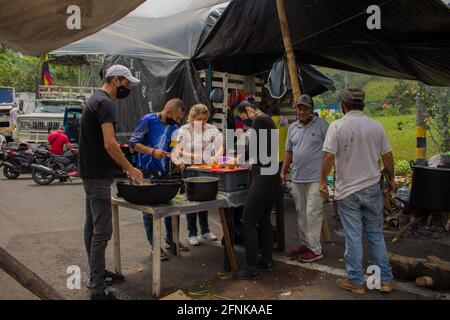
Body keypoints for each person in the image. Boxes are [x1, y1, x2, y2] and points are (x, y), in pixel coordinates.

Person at [320, 88, 396, 295]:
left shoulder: (337, 126)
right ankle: (385, 280)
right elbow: (387, 157)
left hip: (348, 191)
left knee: (353, 236)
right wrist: (392, 179)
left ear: (343, 106)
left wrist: (321, 181)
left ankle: (356, 281)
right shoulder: (376, 126)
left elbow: (328, 157)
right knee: (375, 234)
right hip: (372, 187)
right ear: (362, 105)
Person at [79, 64, 144, 300]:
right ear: (116, 80)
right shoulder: (105, 103)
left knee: (92, 227)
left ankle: (97, 274)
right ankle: (97, 288)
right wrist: (130, 168)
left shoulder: (93, 99)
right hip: (97, 176)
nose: (128, 89)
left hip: (89, 172)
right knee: (102, 230)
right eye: (127, 84)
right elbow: (110, 144)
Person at [129, 98, 188, 261]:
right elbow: (133, 143)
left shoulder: (174, 127)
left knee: (171, 208)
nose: (178, 122)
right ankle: (154, 246)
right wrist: (152, 151)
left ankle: (172, 240)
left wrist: (178, 159)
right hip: (146, 172)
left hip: (165, 172)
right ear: (168, 112)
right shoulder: (147, 120)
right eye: (176, 118)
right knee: (149, 213)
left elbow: (173, 148)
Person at [233, 101, 280, 280]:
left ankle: (250, 267)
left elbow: (252, 147)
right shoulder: (268, 120)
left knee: (247, 221)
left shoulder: (259, 120)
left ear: (247, 111)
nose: (244, 122)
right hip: (271, 175)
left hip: (263, 175)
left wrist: (237, 159)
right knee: (264, 219)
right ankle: (266, 259)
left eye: (243, 117)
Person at [281, 95, 329, 262]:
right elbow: (289, 152)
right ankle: (305, 243)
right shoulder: (293, 128)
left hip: (316, 178)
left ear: (311, 110)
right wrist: (283, 171)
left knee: (313, 212)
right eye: (299, 108)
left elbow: (330, 152)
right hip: (297, 177)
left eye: (305, 108)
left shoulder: (322, 125)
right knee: (301, 212)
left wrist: (327, 176)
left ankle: (315, 249)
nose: (301, 111)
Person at [172, 104, 220, 246]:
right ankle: (192, 233)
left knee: (204, 199)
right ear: (192, 117)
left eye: (205, 119)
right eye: (199, 119)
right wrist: (193, 155)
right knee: (192, 202)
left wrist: (216, 156)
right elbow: (177, 150)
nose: (202, 122)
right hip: (189, 169)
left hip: (205, 168)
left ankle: (205, 231)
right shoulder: (183, 130)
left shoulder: (211, 129)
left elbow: (220, 146)